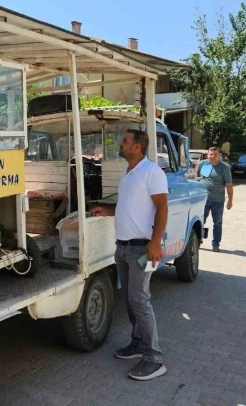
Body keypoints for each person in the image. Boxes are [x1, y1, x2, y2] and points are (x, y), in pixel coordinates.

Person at [91, 129, 168, 381]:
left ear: (136, 147)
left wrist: (156, 242)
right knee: (131, 299)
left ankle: (154, 359)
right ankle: (137, 344)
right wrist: (108, 211)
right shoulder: (127, 173)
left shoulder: (151, 172)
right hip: (123, 247)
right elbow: (130, 208)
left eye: (124, 140)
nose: (119, 143)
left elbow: (162, 207)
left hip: (141, 247)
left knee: (140, 300)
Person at [195, 147, 233, 252]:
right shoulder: (203, 164)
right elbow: (198, 177)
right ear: (207, 155)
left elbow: (229, 185)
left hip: (218, 200)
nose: (212, 156)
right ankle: (197, 241)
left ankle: (215, 244)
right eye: (210, 154)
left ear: (219, 155)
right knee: (200, 221)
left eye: (215, 154)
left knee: (217, 223)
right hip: (203, 199)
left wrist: (230, 200)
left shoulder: (224, 168)